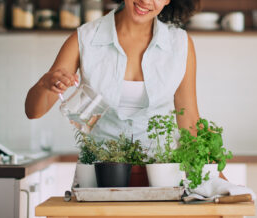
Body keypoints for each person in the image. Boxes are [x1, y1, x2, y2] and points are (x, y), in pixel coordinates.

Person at [25, 0, 199, 143]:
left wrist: (214, 179)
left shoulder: (180, 45)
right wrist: (44, 84)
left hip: (159, 174)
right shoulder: (85, 38)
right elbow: (33, 112)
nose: (146, 1)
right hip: (99, 173)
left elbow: (189, 121)